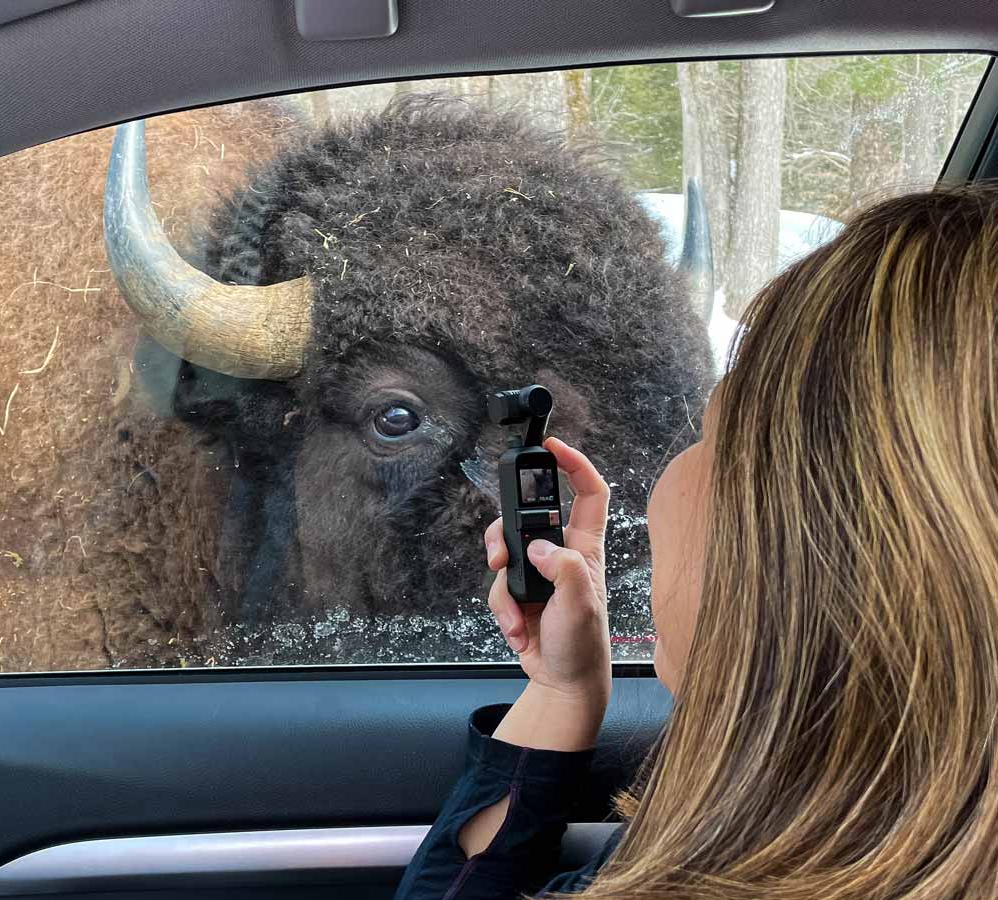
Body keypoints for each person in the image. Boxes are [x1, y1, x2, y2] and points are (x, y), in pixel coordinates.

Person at [393, 184, 998, 900]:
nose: (668, 471)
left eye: (711, 431)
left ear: (801, 534)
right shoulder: (810, 814)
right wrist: (564, 689)